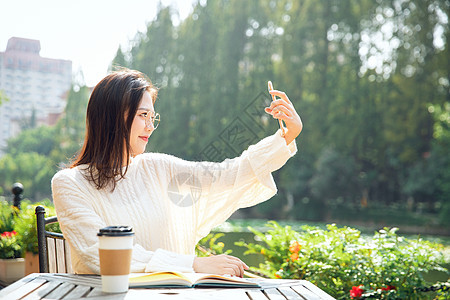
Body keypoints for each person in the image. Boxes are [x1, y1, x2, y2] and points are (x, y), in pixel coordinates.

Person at [51, 69, 302, 277]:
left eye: (153, 117)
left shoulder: (158, 167)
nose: (150, 126)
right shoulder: (70, 184)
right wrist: (193, 264)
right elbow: (102, 255)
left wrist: (286, 136)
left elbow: (226, 174)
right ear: (113, 118)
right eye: (143, 115)